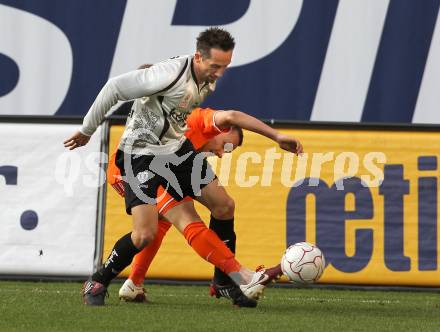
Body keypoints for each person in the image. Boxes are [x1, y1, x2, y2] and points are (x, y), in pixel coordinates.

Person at [64, 27, 302, 306]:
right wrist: (87, 129)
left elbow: (231, 115)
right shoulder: (169, 74)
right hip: (138, 156)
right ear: (199, 57)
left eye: (225, 66)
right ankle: (99, 280)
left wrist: (277, 137)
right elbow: (115, 88)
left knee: (224, 205)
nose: (219, 73)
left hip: (176, 151)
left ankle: (225, 280)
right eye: (215, 66)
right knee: (146, 234)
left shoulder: (205, 77)